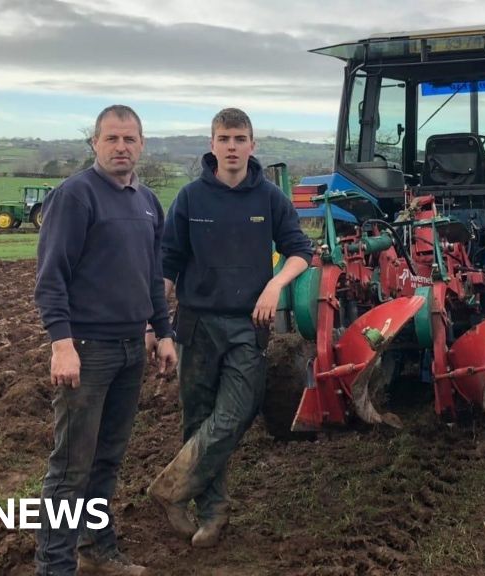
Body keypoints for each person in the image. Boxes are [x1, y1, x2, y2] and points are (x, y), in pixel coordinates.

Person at [148, 108, 314, 548]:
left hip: (248, 322)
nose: (232, 146)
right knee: (198, 417)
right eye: (224, 138)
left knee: (238, 410)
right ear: (212, 144)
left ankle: (172, 489)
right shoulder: (189, 198)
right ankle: (212, 511)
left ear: (252, 145)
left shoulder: (269, 198)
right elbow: (168, 263)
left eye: (240, 138)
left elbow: (300, 250)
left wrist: (276, 285)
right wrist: (154, 321)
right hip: (196, 323)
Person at [33, 104, 177, 576]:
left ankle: (96, 549)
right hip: (88, 351)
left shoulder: (148, 201)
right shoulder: (75, 197)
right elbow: (51, 278)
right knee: (70, 467)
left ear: (142, 145)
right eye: (111, 138)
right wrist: (61, 343)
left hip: (132, 349)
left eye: (129, 139)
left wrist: (163, 331)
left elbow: (152, 276)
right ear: (94, 143)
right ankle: (55, 566)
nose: (121, 147)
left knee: (107, 459)